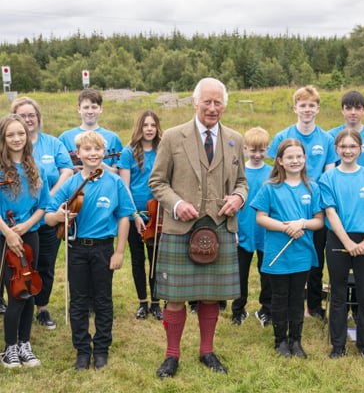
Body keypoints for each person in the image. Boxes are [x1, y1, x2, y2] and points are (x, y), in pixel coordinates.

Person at [148, 77, 247, 379]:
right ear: (195, 102)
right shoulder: (173, 138)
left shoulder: (234, 139)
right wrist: (177, 204)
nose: (213, 108)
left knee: (210, 294)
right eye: (207, 101)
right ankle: (171, 355)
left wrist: (239, 198)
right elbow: (157, 182)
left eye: (218, 102)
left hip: (219, 227)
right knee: (175, 296)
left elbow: (242, 181)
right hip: (181, 229)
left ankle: (207, 351)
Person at [44, 130, 135, 370]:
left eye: (97, 149)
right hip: (77, 249)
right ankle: (82, 350)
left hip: (104, 249)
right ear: (77, 154)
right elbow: (48, 217)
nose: (93, 154)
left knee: (104, 300)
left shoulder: (114, 182)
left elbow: (124, 217)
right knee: (79, 301)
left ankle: (102, 348)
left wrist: (119, 252)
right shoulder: (72, 183)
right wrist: (59, 216)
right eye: (87, 150)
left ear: (103, 152)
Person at [267, 85, 336, 320]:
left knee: (315, 258)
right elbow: (273, 173)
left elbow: (328, 176)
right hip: (286, 205)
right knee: (283, 258)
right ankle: (274, 306)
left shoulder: (327, 139)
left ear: (317, 109)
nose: (307, 109)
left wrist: (323, 206)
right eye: (303, 105)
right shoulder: (282, 137)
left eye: (311, 105)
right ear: (295, 107)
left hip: (313, 207)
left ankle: (314, 306)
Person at [251, 138, 324, 359]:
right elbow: (261, 218)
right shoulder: (269, 188)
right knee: (280, 297)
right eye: (290, 157)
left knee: (296, 298)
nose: (295, 161)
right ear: (280, 161)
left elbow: (319, 221)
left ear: (304, 159)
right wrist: (285, 228)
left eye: (299, 156)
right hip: (277, 254)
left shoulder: (312, 187)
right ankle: (280, 340)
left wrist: (301, 223)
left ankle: (296, 340)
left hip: (301, 253)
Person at [319, 129, 364, 364]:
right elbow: (330, 211)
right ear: (337, 150)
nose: (347, 151)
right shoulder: (328, 178)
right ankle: (338, 346)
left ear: (360, 149)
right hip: (338, 240)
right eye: (343, 147)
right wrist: (347, 242)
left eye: (352, 147)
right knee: (338, 293)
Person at [10, 97, 73, 329]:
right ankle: (16, 304)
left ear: (38, 117)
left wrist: (50, 197)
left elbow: (66, 170)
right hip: (15, 220)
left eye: (32, 115)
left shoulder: (53, 143)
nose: (28, 119)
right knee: (15, 265)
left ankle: (42, 307)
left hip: (48, 213)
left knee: (45, 263)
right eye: (23, 115)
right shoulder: (9, 146)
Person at [327, 90, 364, 323]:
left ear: (363, 110)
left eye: (357, 108)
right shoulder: (332, 135)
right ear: (342, 110)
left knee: (363, 276)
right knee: (339, 273)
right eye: (348, 107)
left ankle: (362, 317)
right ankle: (336, 314)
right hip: (340, 214)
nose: (353, 112)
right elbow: (330, 173)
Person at [0, 114, 50, 368]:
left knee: (30, 290)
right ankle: (9, 348)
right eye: (11, 135)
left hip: (30, 234)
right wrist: (8, 233)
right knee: (16, 292)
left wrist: (29, 225)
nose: (17, 138)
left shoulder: (34, 166)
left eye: (20, 133)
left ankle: (25, 344)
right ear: (3, 139)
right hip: (4, 236)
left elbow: (44, 205)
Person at [118, 110, 163, 321]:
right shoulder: (129, 152)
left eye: (153, 125)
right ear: (139, 127)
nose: (149, 129)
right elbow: (125, 186)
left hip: (158, 214)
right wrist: (134, 214)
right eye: (145, 125)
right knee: (137, 260)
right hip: (134, 214)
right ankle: (142, 303)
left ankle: (156, 302)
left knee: (156, 259)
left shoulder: (163, 149)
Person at [231, 126, 272, 327]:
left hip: (265, 233)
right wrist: (233, 229)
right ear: (245, 149)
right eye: (253, 150)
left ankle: (266, 309)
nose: (257, 155)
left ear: (267, 149)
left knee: (267, 274)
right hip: (242, 231)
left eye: (261, 150)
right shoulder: (239, 173)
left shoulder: (273, 173)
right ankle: (238, 310)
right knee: (240, 274)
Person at [58, 88, 123, 174]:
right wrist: (72, 170)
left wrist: (102, 166)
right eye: (86, 107)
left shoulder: (113, 138)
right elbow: (57, 170)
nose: (90, 111)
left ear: (101, 109)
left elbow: (119, 172)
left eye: (94, 107)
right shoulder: (65, 138)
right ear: (79, 109)